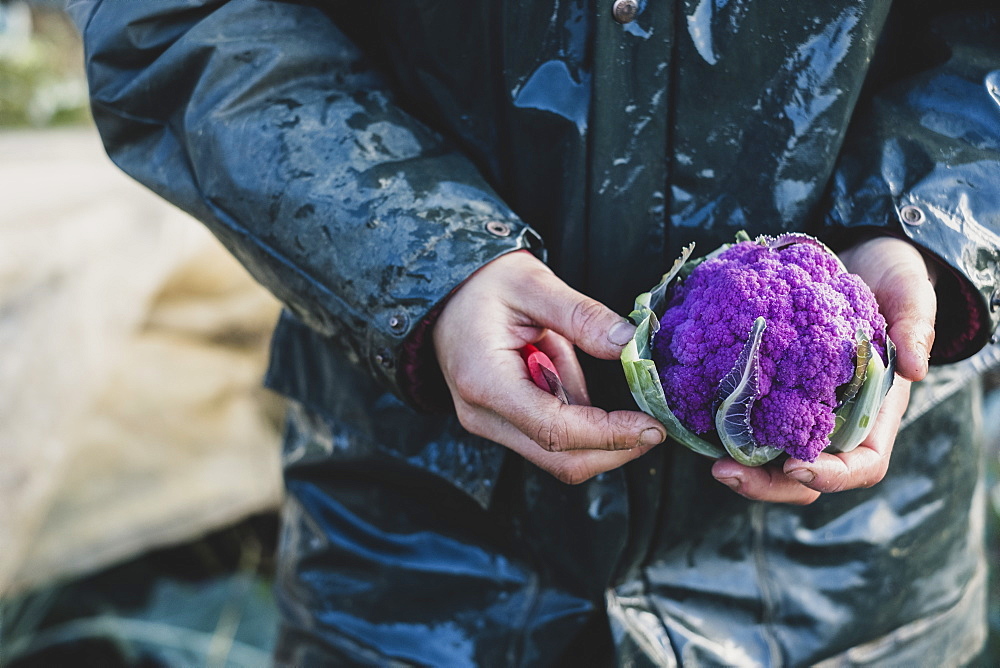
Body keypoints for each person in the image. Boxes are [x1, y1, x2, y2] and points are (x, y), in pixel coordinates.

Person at [72, 1, 1000, 665]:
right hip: (420, 551)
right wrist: (427, 262)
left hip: (845, 580)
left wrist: (923, 227)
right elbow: (176, 18)